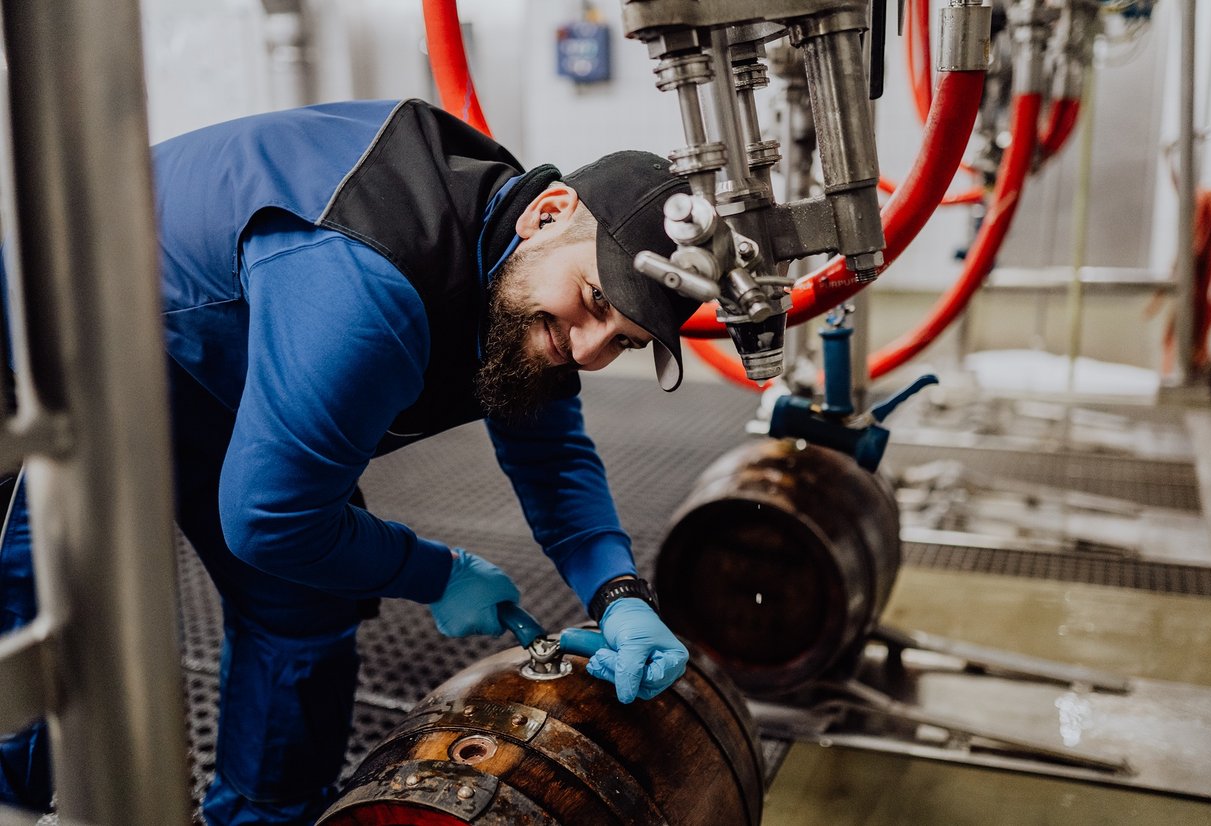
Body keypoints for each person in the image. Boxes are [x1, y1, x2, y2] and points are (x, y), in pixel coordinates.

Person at [0, 98, 702, 824]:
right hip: (75, 305)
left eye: (624, 339)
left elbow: (553, 462)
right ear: (548, 213)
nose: (590, 350)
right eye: (594, 300)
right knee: (65, 606)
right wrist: (436, 572)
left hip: (210, 355)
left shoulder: (523, 267)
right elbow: (270, 520)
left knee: (303, 601)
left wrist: (621, 595)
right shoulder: (368, 287)